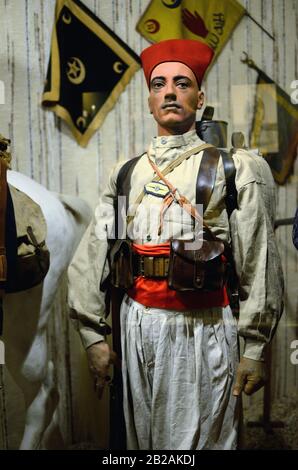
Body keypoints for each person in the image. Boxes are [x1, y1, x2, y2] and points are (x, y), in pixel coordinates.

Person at [68, 39, 284, 450]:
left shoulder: (234, 168)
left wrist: (254, 347)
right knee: (143, 441)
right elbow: (96, 250)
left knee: (200, 441)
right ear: (149, 99)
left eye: (182, 83)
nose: (169, 91)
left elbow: (259, 260)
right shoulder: (125, 174)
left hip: (200, 328)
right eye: (159, 84)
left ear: (199, 97)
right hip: (136, 326)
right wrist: (92, 335)